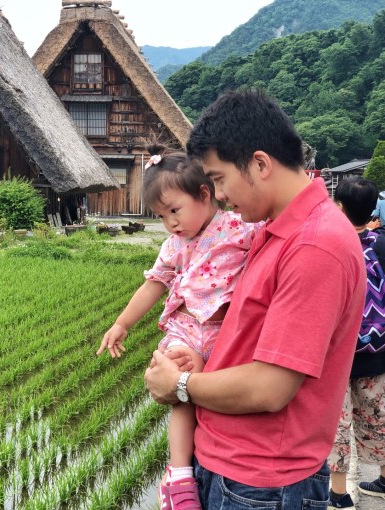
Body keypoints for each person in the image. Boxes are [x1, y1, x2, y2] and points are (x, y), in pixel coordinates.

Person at [144, 88, 366, 509]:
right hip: (233, 468)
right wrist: (202, 361)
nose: (219, 196)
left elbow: (270, 387)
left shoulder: (314, 245)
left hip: (261, 484)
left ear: (260, 164)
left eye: (219, 179)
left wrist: (182, 385)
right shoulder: (271, 229)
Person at [96, 145, 258, 509]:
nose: (171, 222)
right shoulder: (174, 244)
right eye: (161, 216)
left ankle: (204, 462)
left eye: (174, 210)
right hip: (185, 329)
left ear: (205, 194)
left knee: (214, 395)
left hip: (221, 331)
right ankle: (180, 473)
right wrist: (122, 323)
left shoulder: (238, 225)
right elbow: (154, 283)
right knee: (182, 391)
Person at [328, 176, 385, 510]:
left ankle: (338, 495)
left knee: (337, 421)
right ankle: (382, 477)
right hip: (377, 353)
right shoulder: (381, 244)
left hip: (339, 354)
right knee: (378, 414)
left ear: (339, 207)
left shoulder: (334, 245)